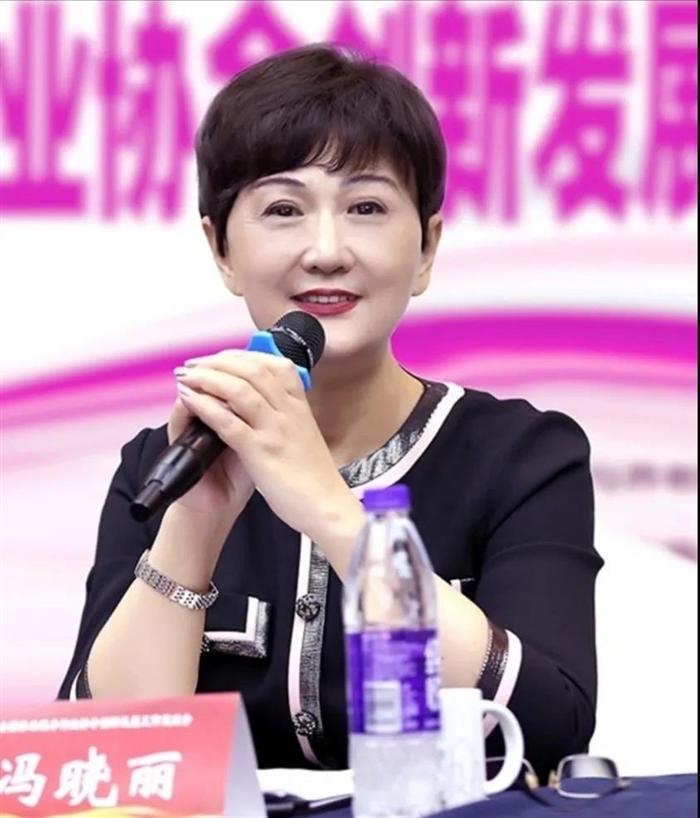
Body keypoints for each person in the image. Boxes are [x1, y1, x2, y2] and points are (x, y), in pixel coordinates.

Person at [58, 44, 602, 780]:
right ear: (221, 250)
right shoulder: (165, 464)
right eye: (283, 210)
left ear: (426, 249)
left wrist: (327, 506)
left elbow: (550, 728)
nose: (325, 251)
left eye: (366, 208)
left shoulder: (522, 455)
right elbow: (101, 762)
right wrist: (193, 526)